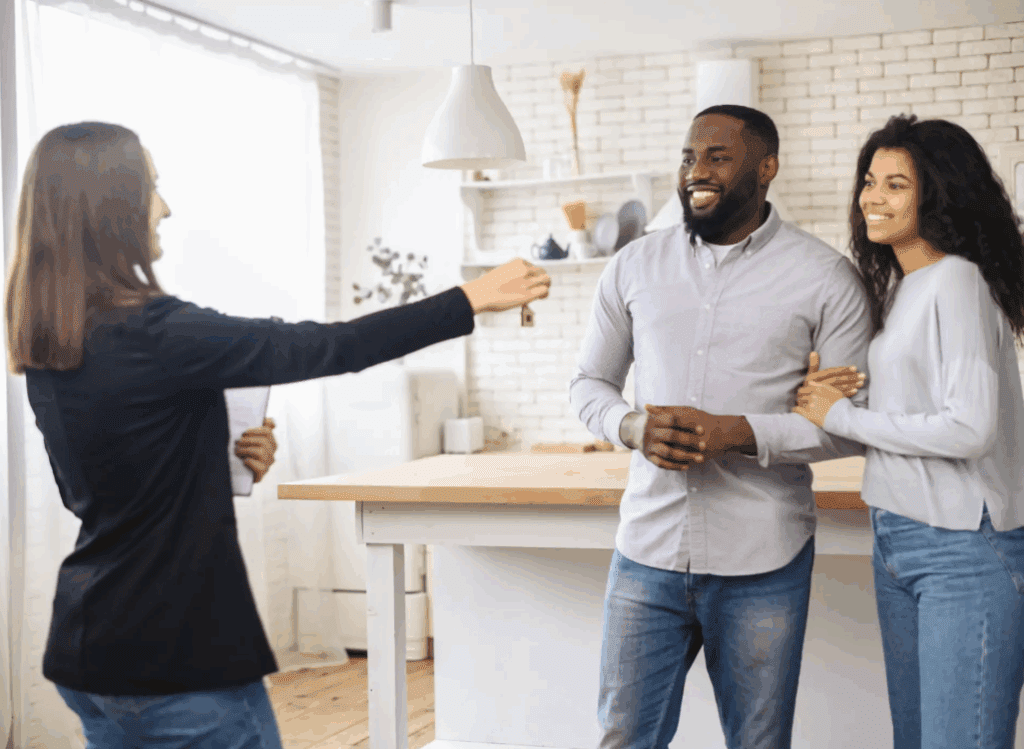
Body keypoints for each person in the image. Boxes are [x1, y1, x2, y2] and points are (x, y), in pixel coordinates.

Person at [4, 121, 551, 748]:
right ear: (111, 205)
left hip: (90, 648)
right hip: (174, 657)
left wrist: (220, 458)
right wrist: (471, 297)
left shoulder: (51, 337)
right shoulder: (157, 331)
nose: (166, 206)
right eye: (152, 186)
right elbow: (328, 346)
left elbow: (113, 479)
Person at [570, 104, 871, 749]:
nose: (695, 171)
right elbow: (588, 385)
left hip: (764, 557)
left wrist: (740, 432)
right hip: (646, 552)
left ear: (767, 168)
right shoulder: (632, 266)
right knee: (623, 739)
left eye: (716, 156)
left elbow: (850, 427)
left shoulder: (826, 278)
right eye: (687, 156)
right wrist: (631, 427)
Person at [792, 114, 1024, 749]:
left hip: (963, 548)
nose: (873, 196)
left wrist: (839, 417)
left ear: (938, 193)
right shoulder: (903, 287)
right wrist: (842, 389)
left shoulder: (957, 279)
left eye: (897, 184)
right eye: (870, 180)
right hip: (899, 536)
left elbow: (970, 427)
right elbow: (920, 399)